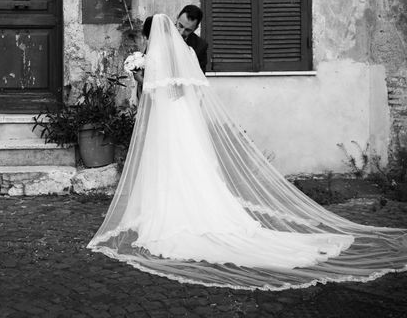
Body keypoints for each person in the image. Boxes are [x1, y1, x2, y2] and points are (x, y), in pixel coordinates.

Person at [88, 14, 407, 291]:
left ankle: (171, 211)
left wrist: (137, 73)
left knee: (169, 164)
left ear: (148, 35)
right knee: (187, 164)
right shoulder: (180, 52)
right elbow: (181, 91)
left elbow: (151, 96)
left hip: (167, 119)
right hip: (181, 117)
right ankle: (190, 205)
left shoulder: (155, 58)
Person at [175, 4, 208, 73]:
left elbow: (201, 78)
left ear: (195, 28)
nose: (181, 32)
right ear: (177, 17)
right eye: (180, 26)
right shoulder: (162, 34)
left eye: (187, 30)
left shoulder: (200, 46)